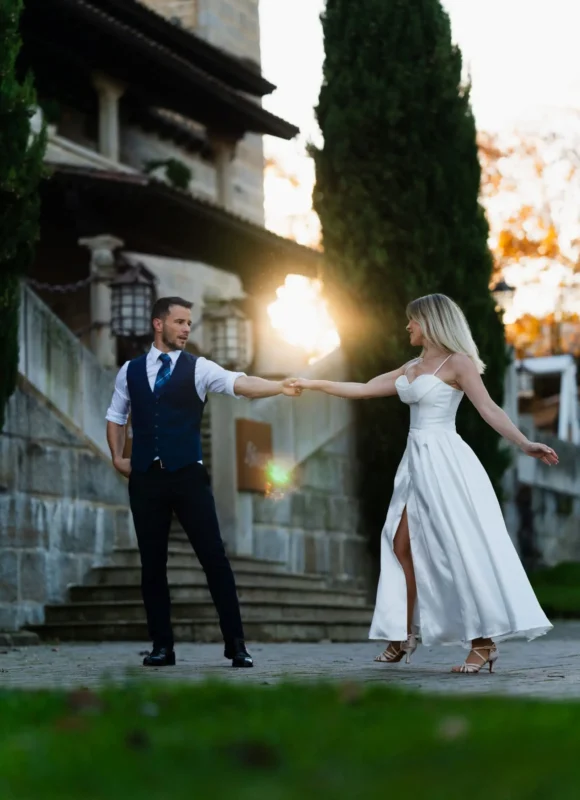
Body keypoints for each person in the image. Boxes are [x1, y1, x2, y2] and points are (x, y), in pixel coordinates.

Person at [290, 294, 557, 674]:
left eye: (412, 321)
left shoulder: (458, 364)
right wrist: (312, 382)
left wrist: (524, 443)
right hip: (415, 464)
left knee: (454, 547)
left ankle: (483, 643)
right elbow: (364, 388)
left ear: (430, 322)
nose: (407, 327)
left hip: (446, 462)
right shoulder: (411, 366)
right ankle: (403, 635)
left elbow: (489, 409)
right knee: (400, 546)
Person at [106, 296, 301, 668]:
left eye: (189, 323)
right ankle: (162, 646)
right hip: (146, 478)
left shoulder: (199, 368)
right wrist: (118, 458)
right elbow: (116, 416)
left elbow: (240, 383)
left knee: (214, 559)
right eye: (179, 322)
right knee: (152, 564)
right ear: (158, 324)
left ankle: (237, 644)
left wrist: (278, 387)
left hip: (188, 477)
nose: (186, 329)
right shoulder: (129, 371)